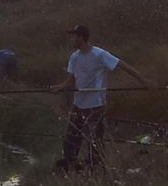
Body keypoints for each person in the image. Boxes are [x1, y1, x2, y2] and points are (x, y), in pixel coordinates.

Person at [51, 23, 148, 173]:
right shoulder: (74, 57)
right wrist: (59, 87)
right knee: (71, 139)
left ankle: (94, 170)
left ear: (81, 38)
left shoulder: (99, 54)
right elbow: (72, 80)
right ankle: (71, 170)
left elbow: (124, 66)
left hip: (95, 105)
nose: (71, 40)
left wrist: (144, 82)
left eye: (74, 36)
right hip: (78, 104)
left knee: (95, 140)